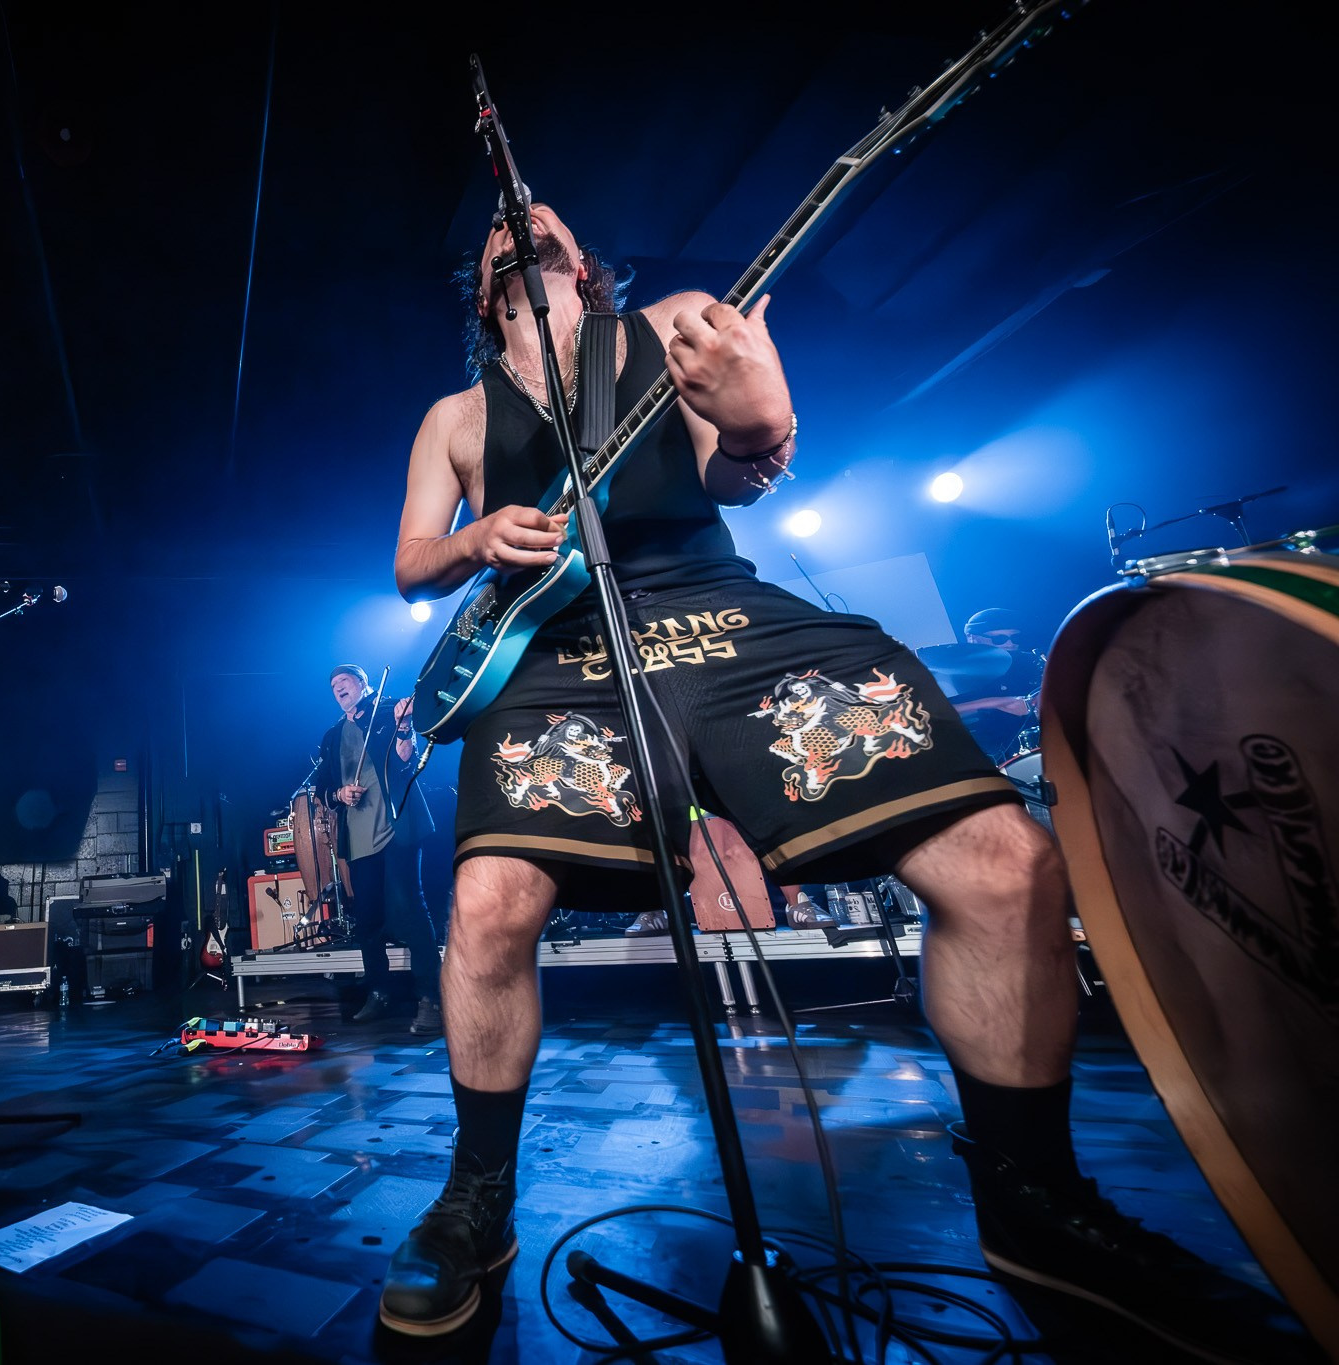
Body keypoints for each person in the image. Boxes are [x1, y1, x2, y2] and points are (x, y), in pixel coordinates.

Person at [373, 202, 1306, 1359]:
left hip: (721, 615)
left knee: (1005, 862)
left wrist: (761, 425)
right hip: (555, 655)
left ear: (581, 255)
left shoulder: (664, 324)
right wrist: (471, 541)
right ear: (481, 287)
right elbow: (413, 560)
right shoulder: (455, 418)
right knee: (484, 905)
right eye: (501, 228)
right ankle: (475, 1203)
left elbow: (735, 473)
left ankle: (1036, 1204)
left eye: (546, 209)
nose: (526, 217)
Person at [316, 665, 444, 1036]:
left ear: (364, 685)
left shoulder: (387, 713)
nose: (338, 687)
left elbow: (406, 759)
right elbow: (325, 786)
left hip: (396, 828)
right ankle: (379, 992)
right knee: (368, 920)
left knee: (408, 910)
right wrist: (339, 794)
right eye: (333, 684)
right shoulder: (331, 736)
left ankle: (430, 997)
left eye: (345, 682)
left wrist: (404, 726)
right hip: (357, 837)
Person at [949, 607, 1044, 763]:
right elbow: (938, 713)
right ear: (972, 637)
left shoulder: (1029, 662)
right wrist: (999, 702)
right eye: (999, 639)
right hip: (985, 752)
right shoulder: (953, 670)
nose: (1010, 644)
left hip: (1037, 743)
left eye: (1015, 638)